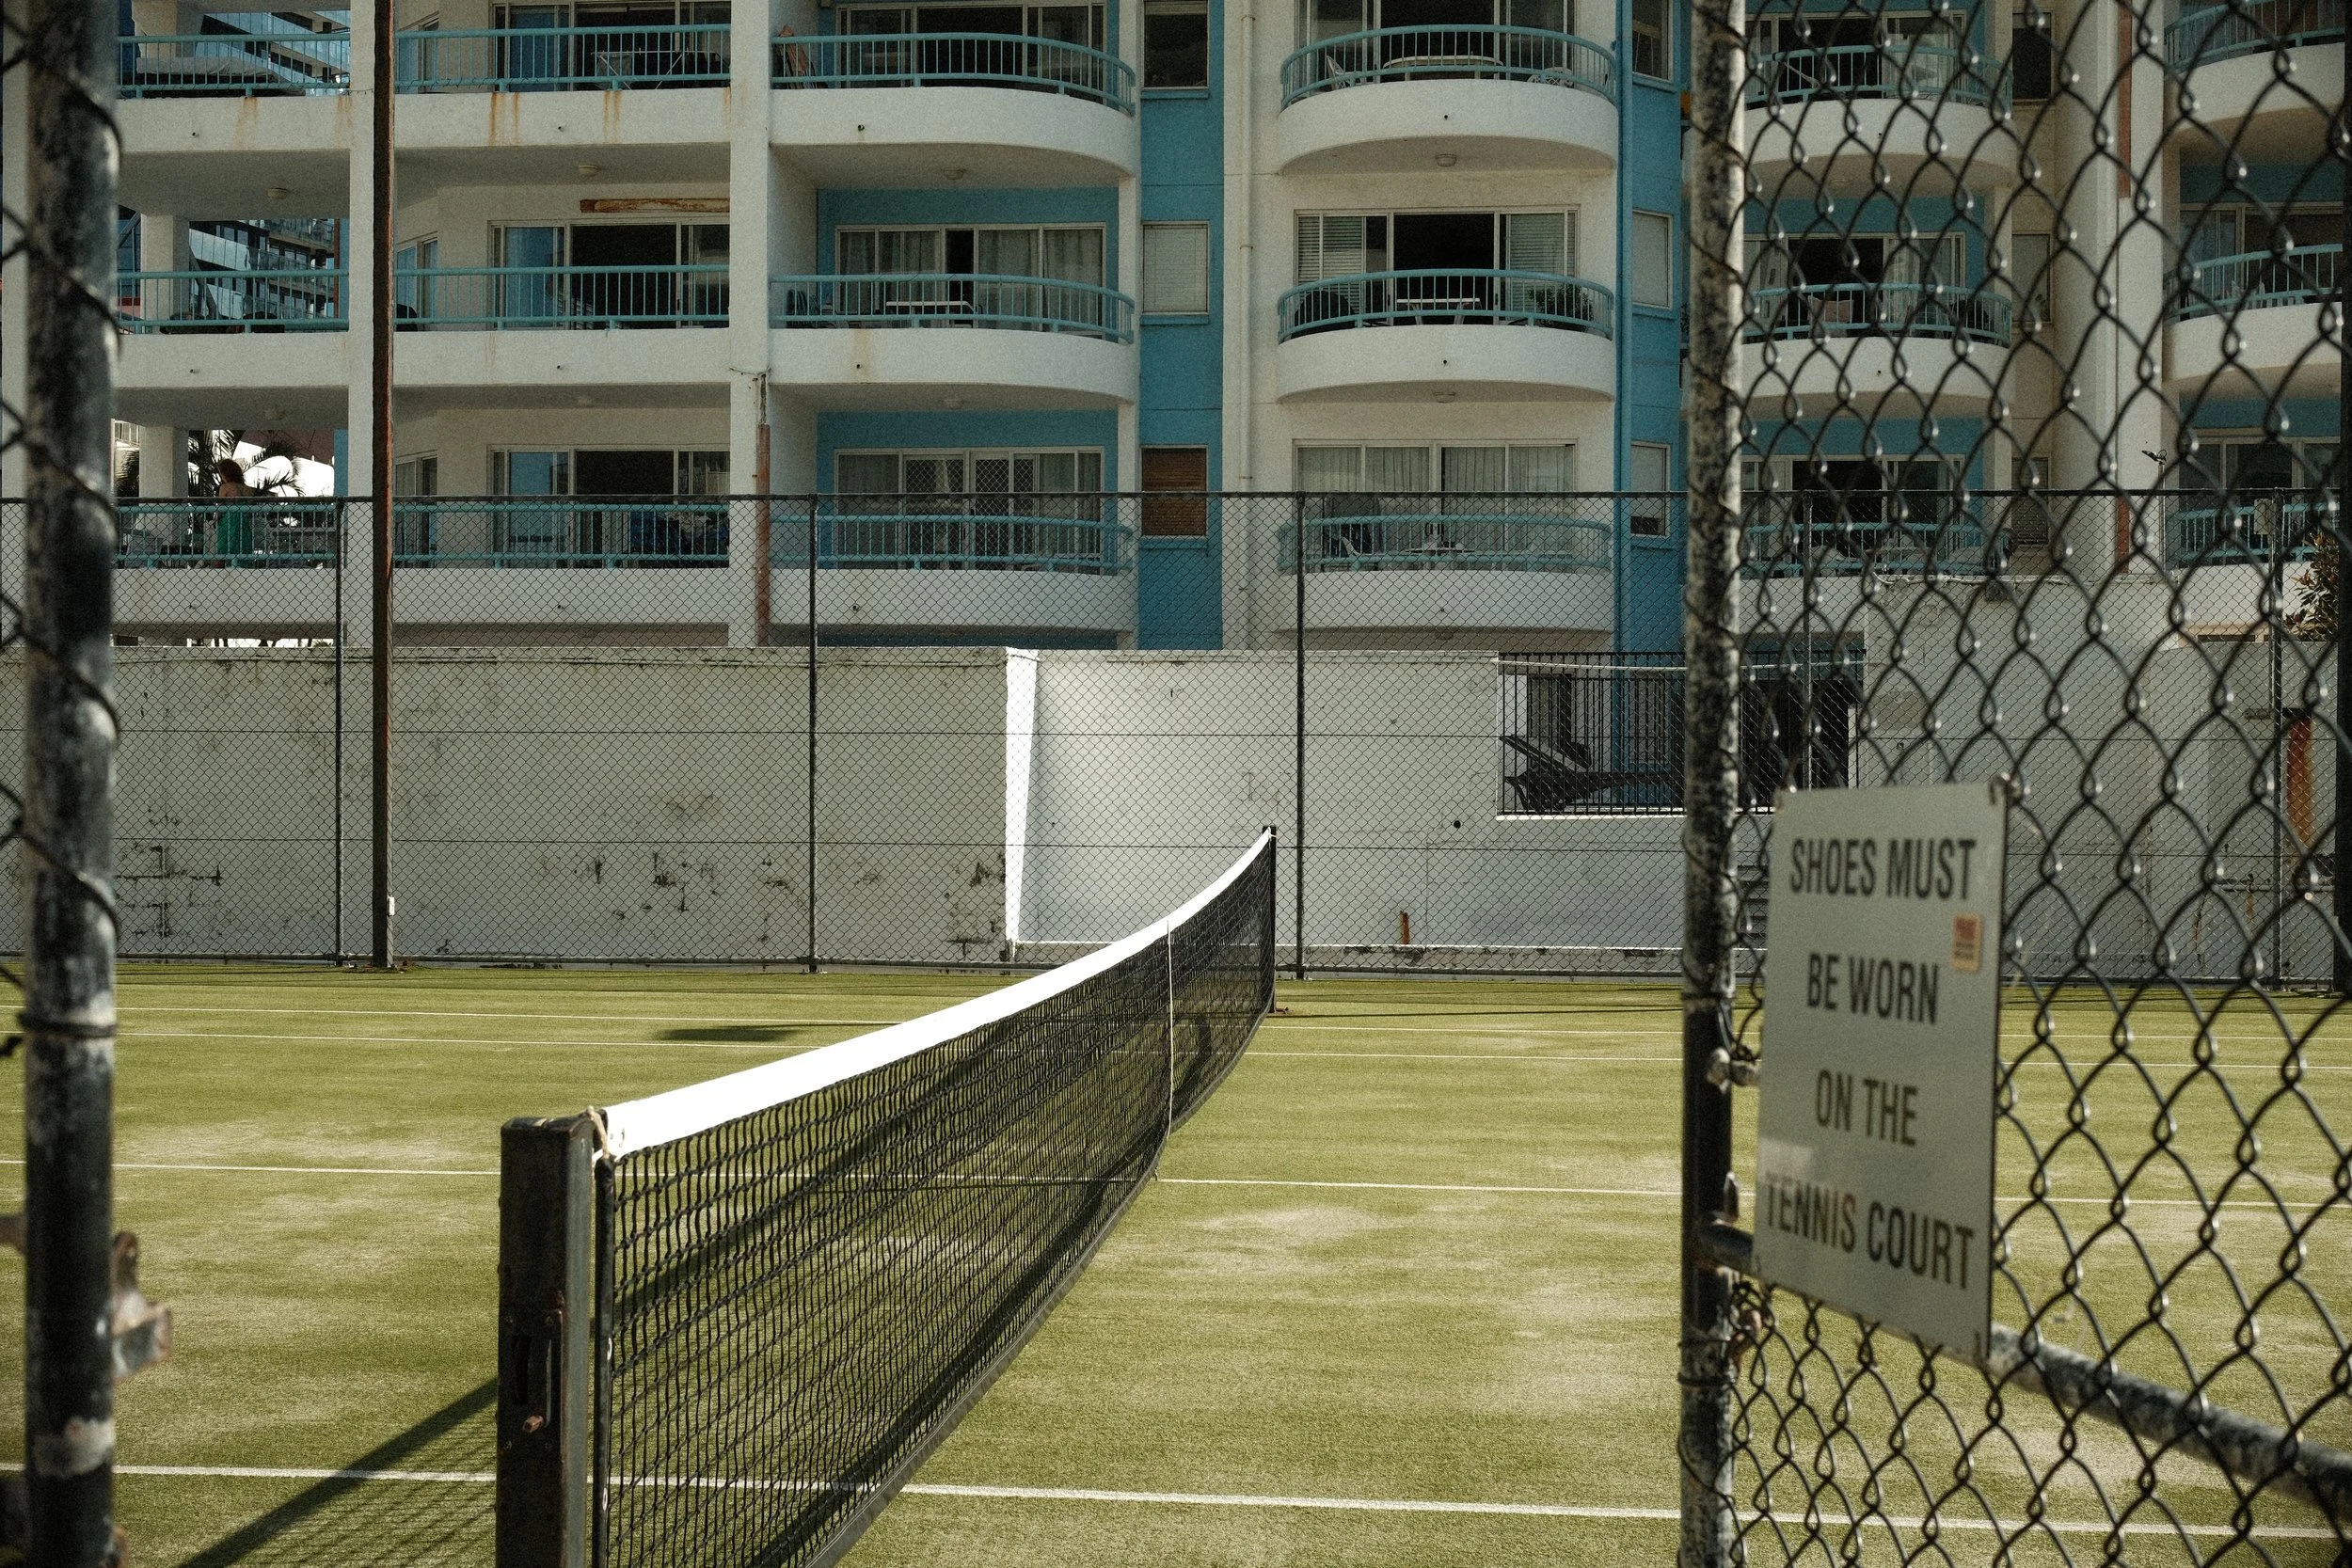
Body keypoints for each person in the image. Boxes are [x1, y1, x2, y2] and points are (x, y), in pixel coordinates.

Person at [213, 458, 255, 559]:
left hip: (229, 519)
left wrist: (216, 520)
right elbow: (250, 507)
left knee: (225, 545)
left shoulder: (225, 487)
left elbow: (221, 507)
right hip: (243, 520)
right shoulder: (247, 489)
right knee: (242, 545)